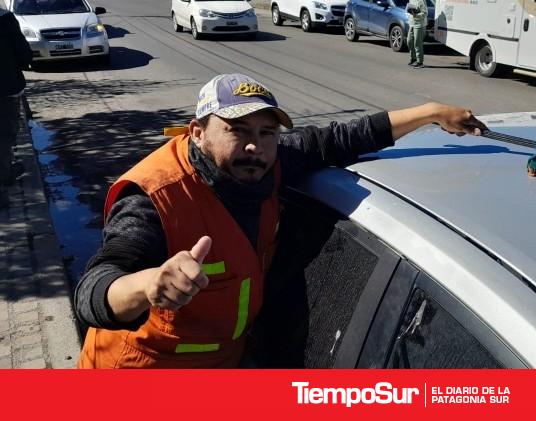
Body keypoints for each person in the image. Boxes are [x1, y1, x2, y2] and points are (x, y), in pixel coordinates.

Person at [75, 73, 487, 368]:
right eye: (237, 130)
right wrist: (147, 285)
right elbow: (95, 289)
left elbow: (345, 137)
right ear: (197, 132)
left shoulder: (268, 161)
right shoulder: (155, 196)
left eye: (267, 131)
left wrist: (430, 113)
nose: (255, 145)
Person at [0, 6, 33, 208]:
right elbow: (23, 54)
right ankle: (3, 181)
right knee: (4, 135)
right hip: (5, 89)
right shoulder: (5, 19)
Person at [405, 0, 427, 69]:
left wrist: (416, 15)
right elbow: (408, 10)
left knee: (417, 43)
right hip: (412, 24)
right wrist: (408, 13)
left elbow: (425, 13)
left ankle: (420, 62)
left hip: (419, 25)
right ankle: (413, 58)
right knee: (409, 41)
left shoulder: (421, 1)